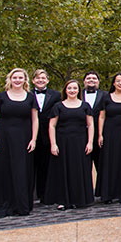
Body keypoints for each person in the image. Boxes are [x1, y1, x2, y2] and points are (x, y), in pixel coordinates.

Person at [0, 68, 39, 217]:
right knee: (3, 170)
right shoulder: (1, 97)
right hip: (3, 139)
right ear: (10, 79)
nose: (17, 80)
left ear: (25, 80)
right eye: (15, 77)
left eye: (20, 77)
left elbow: (35, 119)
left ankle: (20, 205)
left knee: (21, 170)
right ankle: (2, 203)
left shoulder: (30, 97)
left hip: (24, 139)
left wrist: (34, 139)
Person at [43, 80, 94, 210]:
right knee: (63, 170)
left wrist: (90, 142)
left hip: (80, 142)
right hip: (63, 142)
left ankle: (80, 199)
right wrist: (53, 144)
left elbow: (91, 125)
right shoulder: (58, 106)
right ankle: (63, 200)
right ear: (65, 90)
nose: (72, 90)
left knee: (79, 170)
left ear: (79, 90)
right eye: (69, 88)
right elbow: (52, 125)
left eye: (75, 88)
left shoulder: (85, 106)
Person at [96, 73, 121, 204]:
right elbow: (101, 117)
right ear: (113, 83)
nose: (120, 83)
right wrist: (100, 134)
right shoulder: (106, 98)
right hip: (109, 134)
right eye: (117, 81)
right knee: (109, 162)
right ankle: (108, 195)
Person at [31, 69, 61, 202]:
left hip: (48, 135)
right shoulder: (27, 94)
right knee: (30, 166)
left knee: (47, 165)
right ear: (33, 80)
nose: (40, 80)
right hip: (30, 134)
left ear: (48, 80)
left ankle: (46, 195)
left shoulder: (56, 95)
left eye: (43, 78)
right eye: (37, 78)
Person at [82, 71, 108, 173]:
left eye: (94, 78)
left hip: (100, 135)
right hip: (81, 135)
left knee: (101, 165)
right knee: (83, 166)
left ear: (98, 81)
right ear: (84, 81)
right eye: (88, 78)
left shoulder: (106, 95)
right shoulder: (77, 94)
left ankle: (101, 189)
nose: (91, 80)